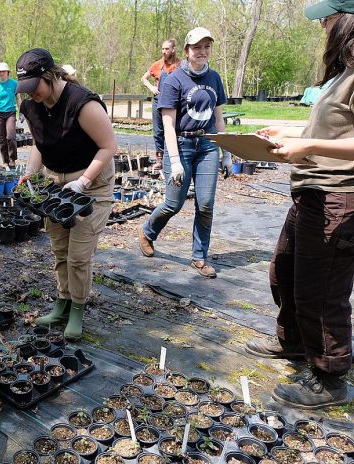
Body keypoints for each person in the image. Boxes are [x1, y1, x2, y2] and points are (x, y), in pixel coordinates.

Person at [245, 0, 354, 409]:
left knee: (322, 291)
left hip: (338, 197)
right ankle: (292, 341)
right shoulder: (343, 73)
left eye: (327, 20)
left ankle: (329, 377)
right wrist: (289, 130)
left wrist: (306, 144)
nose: (322, 27)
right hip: (311, 193)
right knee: (286, 271)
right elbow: (335, 126)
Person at [16, 48, 116, 341]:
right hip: (56, 185)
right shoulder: (32, 106)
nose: (31, 94)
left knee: (78, 256)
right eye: (26, 89)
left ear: (49, 75)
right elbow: (39, 143)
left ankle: (78, 309)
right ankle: (62, 302)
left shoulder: (81, 103)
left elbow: (109, 146)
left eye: (35, 87)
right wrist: (31, 173)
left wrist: (83, 181)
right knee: (59, 250)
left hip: (91, 186)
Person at [138, 27, 232, 278]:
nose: (202, 52)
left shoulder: (214, 78)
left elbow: (219, 117)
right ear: (187, 51)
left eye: (206, 47)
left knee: (206, 204)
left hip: (208, 146)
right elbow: (167, 124)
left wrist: (227, 153)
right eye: (197, 47)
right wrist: (176, 161)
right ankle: (147, 231)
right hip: (180, 145)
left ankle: (199, 257)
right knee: (173, 203)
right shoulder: (174, 80)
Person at [141, 39, 180, 169]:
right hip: (159, 100)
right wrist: (151, 87)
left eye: (167, 49)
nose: (164, 52)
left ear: (173, 49)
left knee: (174, 129)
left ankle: (174, 157)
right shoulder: (158, 65)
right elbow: (144, 78)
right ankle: (160, 160)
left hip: (174, 101)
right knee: (158, 131)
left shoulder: (180, 65)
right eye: (162, 49)